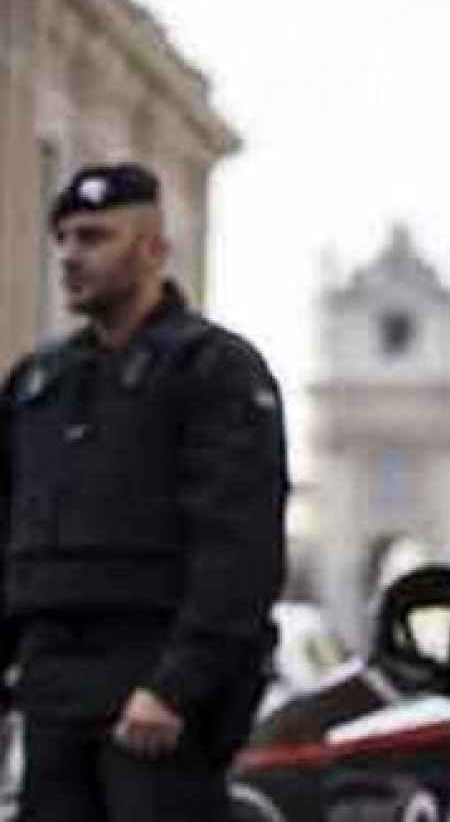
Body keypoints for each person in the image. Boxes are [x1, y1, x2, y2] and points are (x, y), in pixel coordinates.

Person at [0, 162, 287, 821]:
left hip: (154, 694)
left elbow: (238, 550)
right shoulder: (40, 383)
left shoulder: (214, 370)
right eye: (65, 239)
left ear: (154, 248)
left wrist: (176, 687)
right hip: (51, 692)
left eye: (95, 237)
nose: (72, 256)